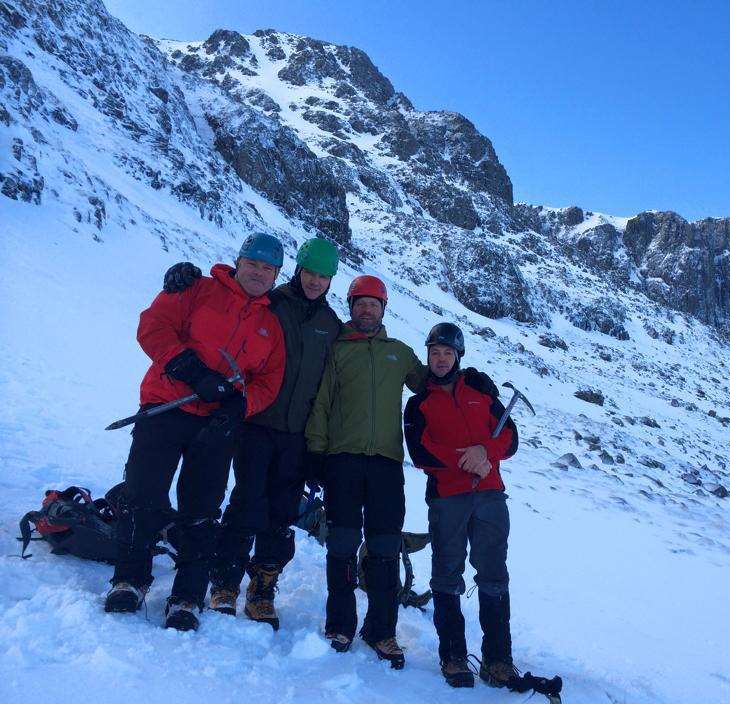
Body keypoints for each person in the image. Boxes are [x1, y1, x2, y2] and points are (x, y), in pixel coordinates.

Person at [305, 277, 496, 669]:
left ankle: (382, 630)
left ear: (383, 309)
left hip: (387, 465)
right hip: (341, 459)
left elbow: (436, 382)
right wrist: (316, 453)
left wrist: (469, 379)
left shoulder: (400, 353)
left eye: (374, 304)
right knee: (341, 543)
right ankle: (340, 624)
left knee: (385, 547)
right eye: (360, 304)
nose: (367, 310)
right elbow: (322, 401)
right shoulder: (337, 350)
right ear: (351, 306)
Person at [104, 233, 286, 632]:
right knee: (143, 493)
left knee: (201, 510)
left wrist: (240, 406)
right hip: (165, 407)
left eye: (268, 268)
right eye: (253, 264)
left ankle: (186, 596)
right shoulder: (196, 289)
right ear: (238, 262)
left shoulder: (270, 326)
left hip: (215, 424)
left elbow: (268, 381)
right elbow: (153, 326)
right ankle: (129, 580)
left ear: (276, 276)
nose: (258, 273)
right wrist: (190, 369)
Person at [161, 237, 342, 630]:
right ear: (297, 270)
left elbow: (334, 385)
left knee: (281, 514)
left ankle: (262, 588)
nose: (314, 281)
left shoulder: (331, 326)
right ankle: (225, 582)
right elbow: (228, 305)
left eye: (323, 276)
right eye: (310, 272)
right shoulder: (269, 303)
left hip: (297, 434)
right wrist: (186, 278)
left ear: (331, 280)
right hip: (255, 422)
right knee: (246, 503)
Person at [403, 323, 518, 689]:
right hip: (448, 497)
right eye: (434, 353)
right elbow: (420, 452)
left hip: (490, 495)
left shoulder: (482, 392)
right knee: (447, 574)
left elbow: (510, 436)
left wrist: (486, 452)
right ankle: (453, 656)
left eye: (447, 353)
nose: (440, 359)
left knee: (493, 573)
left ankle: (498, 660)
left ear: (458, 356)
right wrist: (465, 460)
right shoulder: (419, 403)